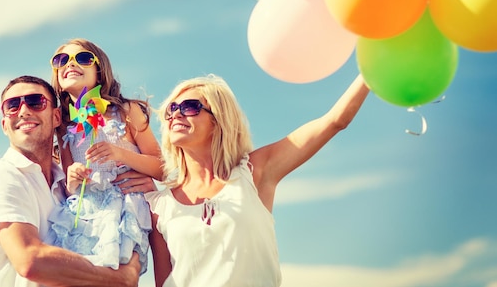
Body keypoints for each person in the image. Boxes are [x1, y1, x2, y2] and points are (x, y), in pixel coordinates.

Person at [145, 73, 370, 287]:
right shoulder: (159, 207)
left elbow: (334, 121)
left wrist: (371, 69)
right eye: (172, 108)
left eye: (189, 107)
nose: (176, 114)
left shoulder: (254, 173)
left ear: (218, 120)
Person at [0, 75, 141, 287]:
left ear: (57, 117)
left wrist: (141, 185)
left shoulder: (68, 184)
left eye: (35, 102)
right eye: (12, 105)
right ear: (4, 125)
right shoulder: (1, 178)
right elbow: (30, 260)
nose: (23, 111)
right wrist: (120, 278)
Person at [47, 38, 163, 275]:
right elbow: (71, 188)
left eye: (82, 58)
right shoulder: (65, 126)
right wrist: (73, 179)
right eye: (62, 61)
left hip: (124, 210)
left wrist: (121, 154)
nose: (70, 64)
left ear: (99, 73)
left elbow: (162, 167)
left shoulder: (126, 112)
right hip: (87, 214)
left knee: (118, 273)